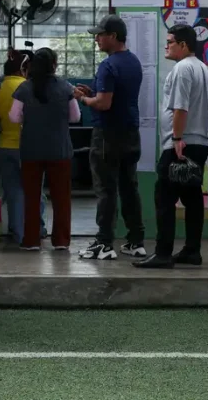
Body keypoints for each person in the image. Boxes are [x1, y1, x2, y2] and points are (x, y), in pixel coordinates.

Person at [135, 24, 208, 269]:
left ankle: (163, 253)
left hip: (180, 146)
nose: (166, 46)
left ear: (183, 45)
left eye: (170, 42)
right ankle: (192, 251)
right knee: (192, 197)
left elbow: (180, 108)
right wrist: (202, 129)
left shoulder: (182, 69)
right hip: (198, 143)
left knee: (164, 197)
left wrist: (177, 138)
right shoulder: (204, 69)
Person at [75, 15, 146, 261]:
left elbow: (104, 104)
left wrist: (83, 99)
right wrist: (93, 93)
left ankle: (104, 243)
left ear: (113, 36)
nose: (97, 39)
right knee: (129, 188)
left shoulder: (108, 65)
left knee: (106, 190)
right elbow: (115, 97)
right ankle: (136, 241)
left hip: (107, 136)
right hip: (131, 133)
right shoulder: (133, 62)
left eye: (100, 35)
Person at [10, 47, 80, 251]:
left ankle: (31, 240)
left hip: (31, 149)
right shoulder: (66, 87)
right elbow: (76, 117)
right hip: (60, 150)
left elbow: (14, 117)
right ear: (54, 65)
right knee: (61, 198)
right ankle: (61, 241)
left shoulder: (24, 88)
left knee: (31, 197)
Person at [0, 49, 44, 244]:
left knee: (13, 191)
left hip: (4, 146)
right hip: (27, 147)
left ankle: (18, 232)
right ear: (23, 69)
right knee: (34, 190)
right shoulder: (27, 87)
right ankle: (37, 229)